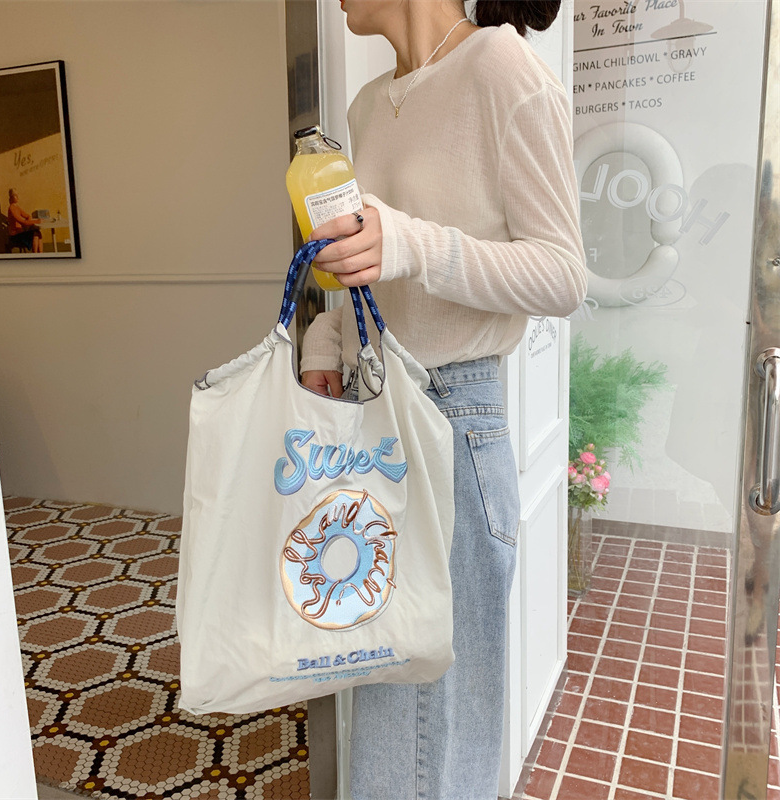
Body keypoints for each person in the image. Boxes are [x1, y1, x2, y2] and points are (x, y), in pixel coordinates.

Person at [300, 1, 586, 797]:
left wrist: (411, 242)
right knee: (390, 713)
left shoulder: (500, 68)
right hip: (370, 416)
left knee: (431, 734)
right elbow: (366, 275)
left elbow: (561, 274)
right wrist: (325, 343)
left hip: (451, 419)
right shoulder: (367, 107)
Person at [7, 188, 43, 253]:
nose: (17, 197)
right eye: (15, 195)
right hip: (15, 236)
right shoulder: (12, 208)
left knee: (38, 233)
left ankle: (41, 254)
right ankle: (35, 255)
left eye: (17, 194)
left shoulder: (17, 207)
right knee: (35, 234)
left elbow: (28, 216)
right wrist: (36, 221)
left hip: (20, 233)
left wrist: (27, 226)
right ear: (11, 197)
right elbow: (23, 222)